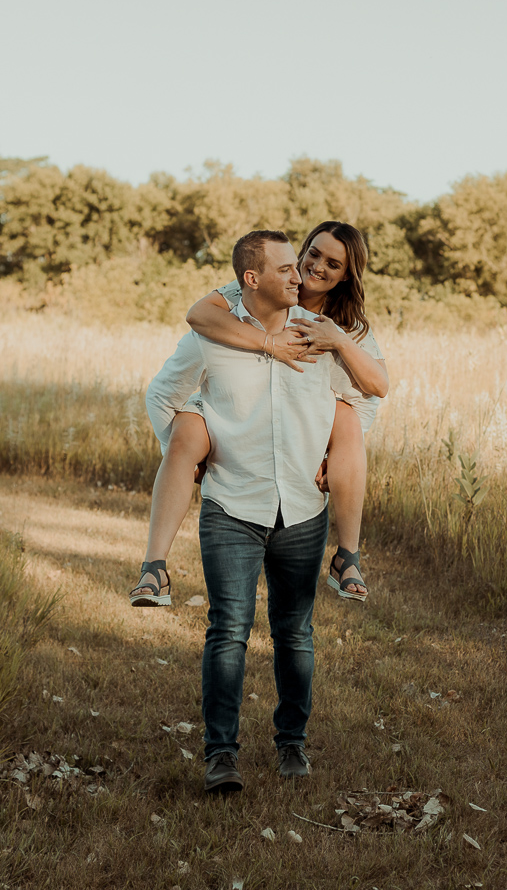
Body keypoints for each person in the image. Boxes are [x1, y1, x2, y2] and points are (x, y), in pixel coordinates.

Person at [144, 230, 362, 793]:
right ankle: (221, 755)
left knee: (295, 633)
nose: (300, 275)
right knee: (227, 632)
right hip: (231, 504)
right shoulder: (214, 332)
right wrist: (186, 451)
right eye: (288, 268)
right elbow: (161, 394)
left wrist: (336, 453)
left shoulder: (317, 334)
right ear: (252, 279)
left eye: (303, 266)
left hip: (302, 507)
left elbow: (365, 395)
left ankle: (292, 744)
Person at [129, 221, 388, 608]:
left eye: (333, 264)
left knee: (347, 418)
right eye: (312, 255)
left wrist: (337, 341)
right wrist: (269, 343)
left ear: (346, 275)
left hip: (306, 415)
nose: (315, 268)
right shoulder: (255, 287)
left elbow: (375, 389)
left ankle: (347, 556)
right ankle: (154, 567)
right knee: (186, 432)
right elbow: (198, 315)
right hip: (233, 402)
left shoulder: (341, 326)